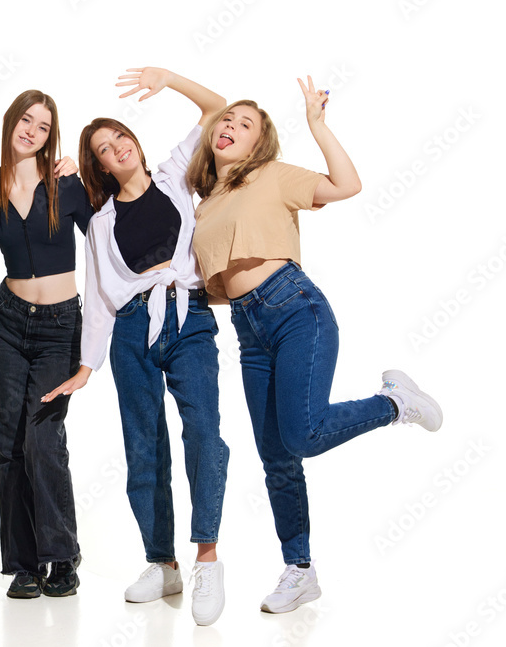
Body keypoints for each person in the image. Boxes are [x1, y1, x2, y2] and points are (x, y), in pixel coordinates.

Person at [187, 77, 442, 614]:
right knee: (276, 458)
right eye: (226, 121)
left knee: (302, 435)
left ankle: (397, 403)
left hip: (296, 310)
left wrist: (317, 125)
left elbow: (347, 185)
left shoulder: (273, 176)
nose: (229, 126)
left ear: (259, 145)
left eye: (245, 123)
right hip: (249, 331)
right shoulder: (206, 200)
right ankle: (300, 571)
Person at [45, 68, 230, 626]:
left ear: (135, 142)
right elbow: (100, 297)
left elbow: (218, 107)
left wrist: (167, 79)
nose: (115, 148)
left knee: (203, 432)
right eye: (103, 148)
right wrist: (86, 364)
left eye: (120, 137)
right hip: (130, 330)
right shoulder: (100, 222)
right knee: (142, 445)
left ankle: (207, 558)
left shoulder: (175, 176)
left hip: (188, 316)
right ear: (99, 165)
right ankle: (162, 562)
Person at [0, 90, 89, 598]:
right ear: (10, 122)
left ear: (50, 134)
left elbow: (107, 245)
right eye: (25, 120)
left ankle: (61, 554)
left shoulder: (66, 183)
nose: (32, 131)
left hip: (60, 325)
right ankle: (22, 563)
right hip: (6, 323)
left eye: (42, 125)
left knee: (43, 441)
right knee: (7, 443)